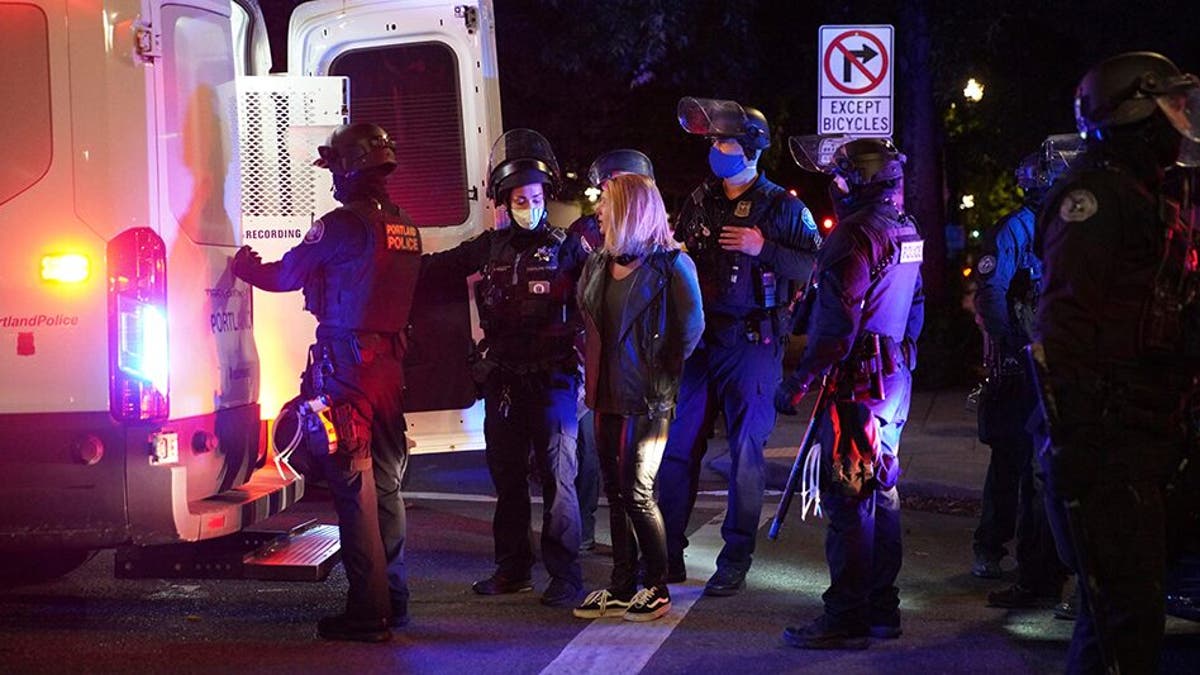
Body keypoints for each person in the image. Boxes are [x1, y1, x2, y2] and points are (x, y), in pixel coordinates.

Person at [1032, 51, 1200, 674]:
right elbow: (1066, 330)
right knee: (1122, 627)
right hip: (1110, 441)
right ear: (1135, 114)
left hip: (1155, 432)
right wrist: (1082, 442)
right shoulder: (1096, 199)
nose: (1182, 119)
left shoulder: (1155, 191)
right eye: (1169, 106)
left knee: (1141, 612)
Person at [232, 122, 420, 643]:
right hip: (388, 372)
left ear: (349, 167)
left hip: (348, 374)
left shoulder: (342, 224)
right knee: (386, 489)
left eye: (335, 167)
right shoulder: (406, 226)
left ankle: (367, 614)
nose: (333, 177)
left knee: (354, 491)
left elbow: (287, 274)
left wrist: (244, 268)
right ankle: (394, 602)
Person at [658, 98, 822, 596]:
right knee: (679, 449)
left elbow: (819, 268)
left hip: (753, 343)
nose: (716, 149)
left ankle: (735, 558)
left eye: (724, 141)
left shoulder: (784, 206)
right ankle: (667, 554)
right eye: (712, 142)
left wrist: (763, 248)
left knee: (746, 454)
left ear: (751, 147)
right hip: (700, 343)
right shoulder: (700, 199)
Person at [421, 129, 588, 607]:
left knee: (560, 481)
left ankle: (566, 576)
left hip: (554, 378)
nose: (528, 205)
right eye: (519, 197)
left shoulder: (569, 249)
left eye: (535, 197)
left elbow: (601, 302)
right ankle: (512, 569)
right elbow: (434, 269)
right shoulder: (487, 248)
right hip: (505, 382)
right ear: (503, 200)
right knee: (508, 479)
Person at [775, 137, 924, 650]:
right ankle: (883, 608)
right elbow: (916, 307)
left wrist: (798, 381)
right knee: (882, 494)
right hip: (893, 380)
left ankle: (846, 616)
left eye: (840, 177)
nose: (834, 186)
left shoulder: (854, 235)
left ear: (860, 179)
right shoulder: (906, 228)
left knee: (849, 500)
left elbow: (836, 325)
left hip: (857, 386)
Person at [572, 174, 704, 622]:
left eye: (606, 203)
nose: (599, 211)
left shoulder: (671, 265)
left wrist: (659, 371)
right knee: (615, 492)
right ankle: (622, 584)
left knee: (638, 492)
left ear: (629, 208)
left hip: (647, 398)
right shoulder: (598, 263)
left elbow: (690, 330)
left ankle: (657, 585)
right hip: (605, 393)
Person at [971, 149, 1070, 609]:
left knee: (1036, 468)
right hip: (1023, 363)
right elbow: (990, 293)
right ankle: (992, 547)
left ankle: (1039, 563)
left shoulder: (1062, 224)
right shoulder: (1016, 229)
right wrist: (1010, 348)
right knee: (1014, 461)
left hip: (1046, 361)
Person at [568, 149, 658, 552]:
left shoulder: (662, 251)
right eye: (604, 188)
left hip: (644, 387)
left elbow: (687, 329)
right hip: (597, 371)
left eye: (615, 186)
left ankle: (653, 565)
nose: (606, 197)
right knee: (596, 462)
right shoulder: (586, 237)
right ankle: (604, 548)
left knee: (639, 481)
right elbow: (577, 302)